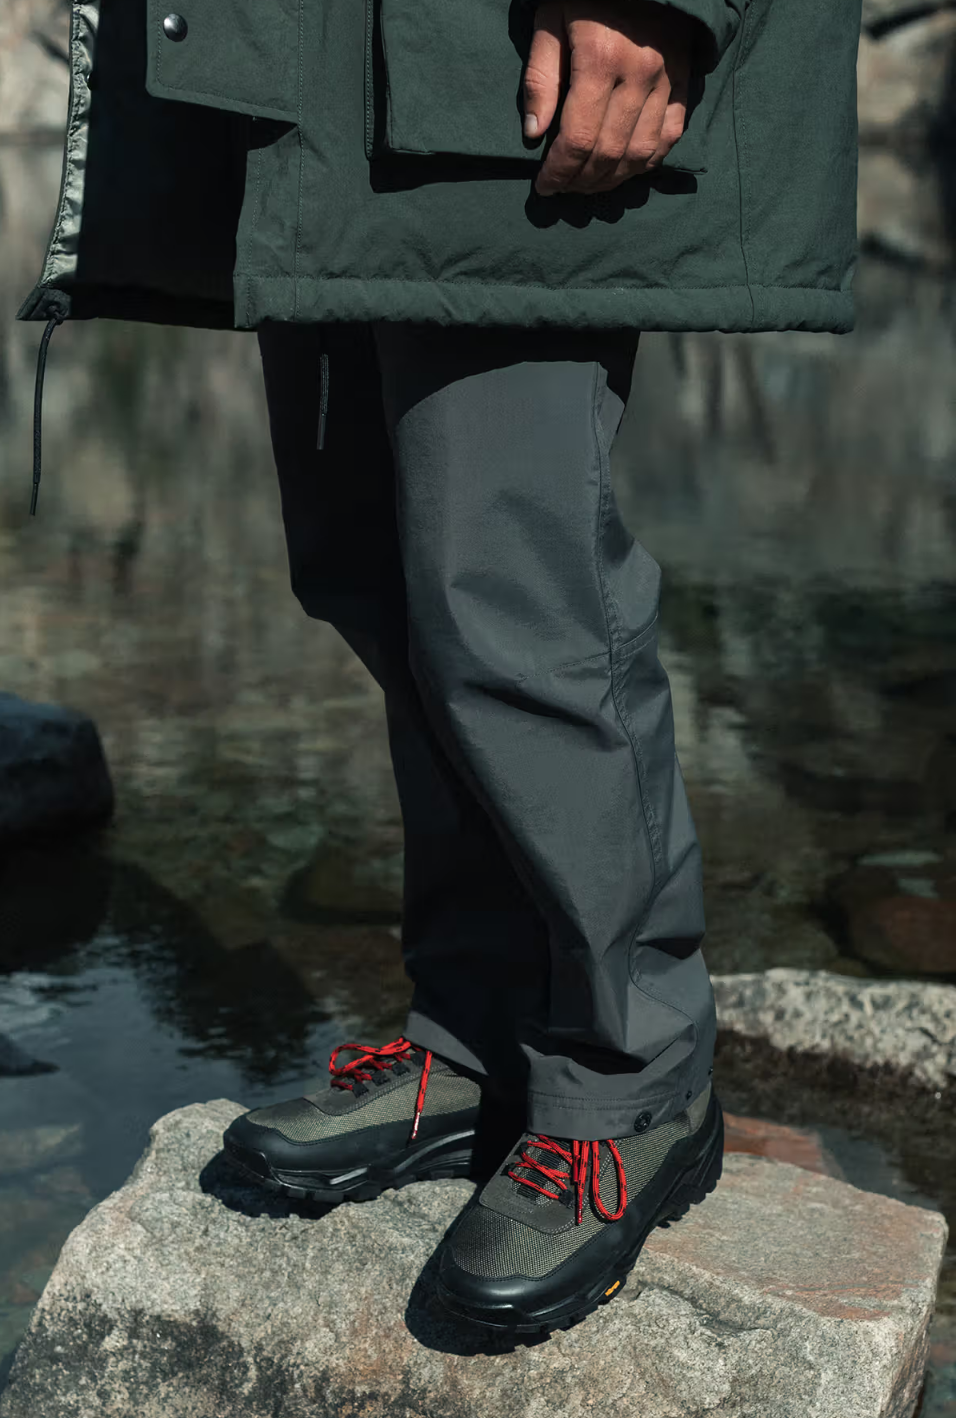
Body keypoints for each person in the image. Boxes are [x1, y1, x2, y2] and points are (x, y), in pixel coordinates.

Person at [20, 0, 862, 1336]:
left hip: (494, 69)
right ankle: (480, 1025)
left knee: (512, 595)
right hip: (326, 76)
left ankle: (629, 1071)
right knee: (372, 571)